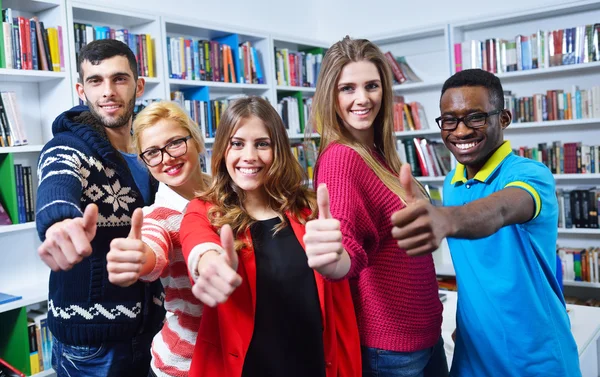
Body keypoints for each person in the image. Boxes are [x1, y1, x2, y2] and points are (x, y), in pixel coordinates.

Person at [390, 68, 581, 377]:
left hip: (535, 362)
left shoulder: (530, 174)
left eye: (475, 117)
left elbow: (500, 210)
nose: (460, 131)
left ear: (503, 118)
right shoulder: (452, 182)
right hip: (472, 358)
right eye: (449, 120)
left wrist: (446, 217)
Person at [179, 96, 361, 377]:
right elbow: (197, 242)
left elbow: (340, 299)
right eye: (237, 143)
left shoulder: (308, 210)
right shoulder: (204, 210)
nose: (249, 155)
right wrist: (207, 262)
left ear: (278, 150)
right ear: (222, 151)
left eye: (262, 143)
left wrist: (341, 258)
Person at [304, 36, 448, 377]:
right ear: (331, 96)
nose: (362, 99)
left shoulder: (380, 155)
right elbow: (349, 246)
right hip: (390, 351)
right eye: (347, 89)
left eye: (371, 86)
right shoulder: (341, 159)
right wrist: (334, 260)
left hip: (424, 337)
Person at [35, 39, 165, 377]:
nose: (107, 91)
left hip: (155, 330)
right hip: (91, 345)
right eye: (95, 81)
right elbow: (57, 180)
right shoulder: (67, 146)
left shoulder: (153, 149)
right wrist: (59, 222)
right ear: (81, 89)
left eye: (119, 79)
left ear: (138, 85)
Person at [106, 101, 211, 377]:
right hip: (183, 365)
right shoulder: (158, 216)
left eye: (175, 143)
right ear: (144, 162)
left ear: (196, 141)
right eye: (152, 152)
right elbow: (152, 248)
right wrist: (139, 260)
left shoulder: (229, 190)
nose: (166, 158)